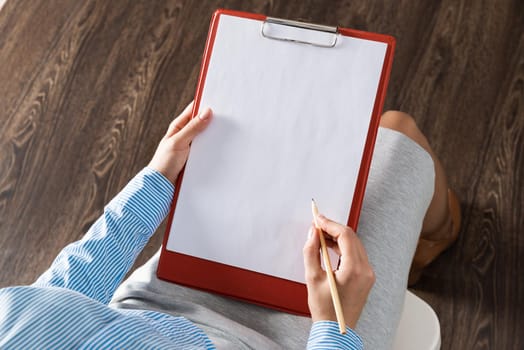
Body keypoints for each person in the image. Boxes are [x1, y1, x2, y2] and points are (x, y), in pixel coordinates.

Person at [0, 102, 460, 349]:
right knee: (397, 132)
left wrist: (156, 180)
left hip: (156, 305)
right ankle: (435, 238)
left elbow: (53, 299)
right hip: (297, 342)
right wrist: (337, 326)